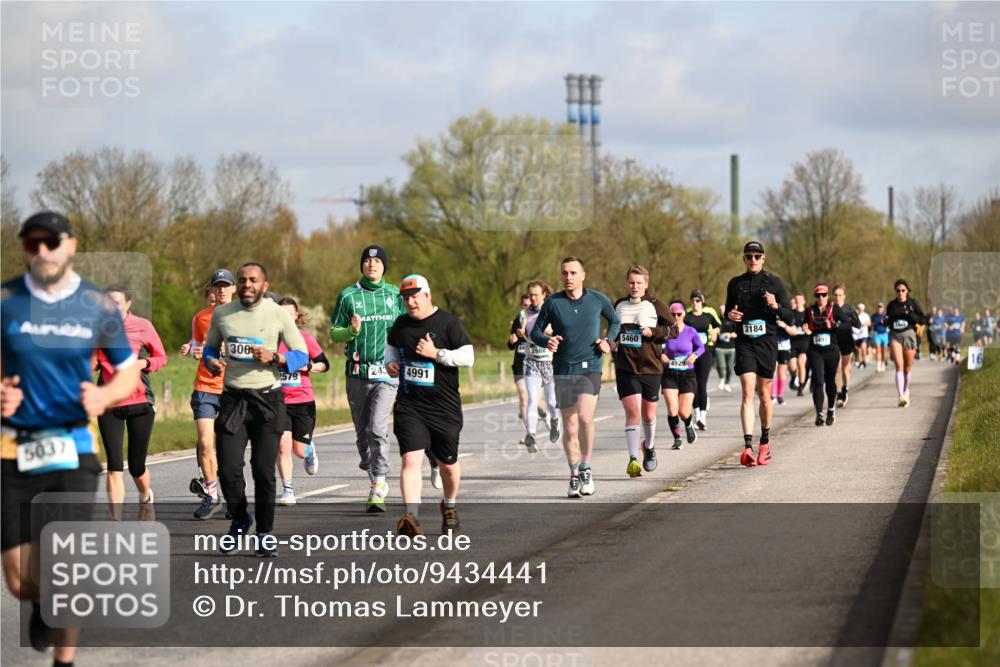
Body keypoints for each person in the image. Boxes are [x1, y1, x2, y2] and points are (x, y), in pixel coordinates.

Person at [2, 211, 141, 662]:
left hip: (73, 448)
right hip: (13, 449)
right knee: (19, 580)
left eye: (51, 242)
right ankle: (40, 602)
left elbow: (126, 371)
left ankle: (66, 660)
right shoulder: (6, 301)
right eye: (32, 244)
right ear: (24, 248)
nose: (42, 251)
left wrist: (103, 397)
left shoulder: (96, 305)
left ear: (71, 245)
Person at [203, 262, 308, 557]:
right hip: (234, 400)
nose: (247, 284)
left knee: (263, 471)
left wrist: (276, 357)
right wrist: (212, 362)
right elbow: (210, 348)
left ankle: (264, 533)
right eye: (242, 280)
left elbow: (302, 355)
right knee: (228, 469)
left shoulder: (277, 314)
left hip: (268, 401)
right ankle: (240, 520)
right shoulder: (223, 314)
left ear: (264, 285)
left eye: (253, 280)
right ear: (237, 285)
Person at [386, 275, 474, 536]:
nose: (410, 303)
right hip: (409, 405)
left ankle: (449, 506)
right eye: (405, 299)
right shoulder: (400, 325)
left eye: (414, 297)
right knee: (410, 459)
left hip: (444, 407)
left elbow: (468, 357)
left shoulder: (449, 323)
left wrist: (436, 354)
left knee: (447, 464)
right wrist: (390, 364)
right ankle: (411, 516)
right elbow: (390, 350)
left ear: (427, 295)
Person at [530, 257, 620, 498]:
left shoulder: (597, 299)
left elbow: (615, 320)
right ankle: (573, 475)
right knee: (569, 427)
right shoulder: (553, 303)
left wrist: (608, 341)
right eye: (564, 273)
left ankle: (586, 468)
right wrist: (546, 340)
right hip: (563, 369)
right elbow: (535, 331)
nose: (568, 277)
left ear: (583, 275)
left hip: (590, 366)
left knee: (585, 418)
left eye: (572, 273)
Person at [330, 245, 409, 512]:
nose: (371, 265)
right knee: (362, 434)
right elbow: (334, 332)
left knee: (377, 428)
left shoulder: (396, 295)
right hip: (357, 373)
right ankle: (370, 464)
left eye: (377, 261)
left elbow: (409, 327)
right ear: (361, 265)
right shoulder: (348, 296)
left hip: (388, 372)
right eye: (367, 261)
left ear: (384, 266)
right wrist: (350, 331)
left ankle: (378, 486)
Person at [96, 285, 167, 521]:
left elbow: (161, 357)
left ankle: (145, 494)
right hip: (109, 403)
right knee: (114, 466)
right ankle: (115, 524)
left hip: (139, 402)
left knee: (136, 466)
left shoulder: (142, 326)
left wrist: (144, 364)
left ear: (128, 304)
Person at [723, 241, 793, 467]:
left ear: (764, 258)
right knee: (747, 391)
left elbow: (790, 316)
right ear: (743, 259)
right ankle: (747, 447)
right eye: (749, 256)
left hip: (767, 343)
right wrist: (730, 317)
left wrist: (775, 306)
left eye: (757, 256)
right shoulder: (735, 284)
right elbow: (728, 312)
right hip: (745, 343)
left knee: (764, 393)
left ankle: (765, 442)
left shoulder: (774, 282)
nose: (753, 260)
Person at [184, 269, 236, 520]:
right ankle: (212, 495)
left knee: (229, 449)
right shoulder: (201, 318)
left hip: (234, 389)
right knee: (206, 443)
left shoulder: (245, 316)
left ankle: (234, 496)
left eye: (227, 286)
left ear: (234, 289)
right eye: (218, 286)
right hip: (205, 387)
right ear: (212, 290)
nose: (222, 290)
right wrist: (196, 352)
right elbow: (197, 345)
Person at [612, 266, 673, 476]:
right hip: (626, 367)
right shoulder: (619, 305)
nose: (635, 286)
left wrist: (653, 332)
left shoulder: (655, 305)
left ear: (646, 284)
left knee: (648, 414)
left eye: (639, 283)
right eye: (631, 282)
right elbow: (613, 330)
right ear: (626, 283)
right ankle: (633, 459)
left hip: (651, 368)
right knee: (632, 412)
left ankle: (650, 447)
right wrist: (612, 341)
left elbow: (673, 330)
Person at [275, 297, 329, 506]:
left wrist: (307, 367)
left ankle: (309, 450)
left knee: (299, 450)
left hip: (303, 401)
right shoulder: (270, 339)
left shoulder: (304, 339)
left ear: (296, 316)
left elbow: (324, 364)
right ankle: (288, 490)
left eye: (289, 313)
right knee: (282, 446)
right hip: (278, 401)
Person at [521, 281, 560, 452]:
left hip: (550, 363)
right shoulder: (524, 314)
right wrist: (519, 333)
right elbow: (520, 329)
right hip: (532, 362)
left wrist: (549, 334)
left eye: (536, 294)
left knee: (551, 401)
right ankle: (531, 434)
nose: (533, 298)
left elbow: (560, 332)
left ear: (544, 294)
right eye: (530, 295)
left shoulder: (552, 311)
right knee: (533, 399)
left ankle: (555, 422)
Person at [661, 302, 704, 449]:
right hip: (669, 373)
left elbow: (701, 347)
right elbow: (654, 346)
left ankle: (688, 423)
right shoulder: (665, 331)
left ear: (684, 314)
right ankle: (677, 438)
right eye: (673, 314)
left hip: (687, 374)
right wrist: (661, 355)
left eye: (679, 314)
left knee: (683, 412)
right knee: (672, 409)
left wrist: (694, 355)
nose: (676, 317)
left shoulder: (690, 331)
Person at [508, 293, 549, 444]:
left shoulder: (540, 319)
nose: (527, 307)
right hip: (520, 364)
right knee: (524, 397)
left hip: (536, 363)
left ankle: (547, 419)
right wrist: (512, 340)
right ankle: (530, 434)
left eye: (529, 304)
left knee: (538, 402)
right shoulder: (518, 320)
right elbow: (511, 344)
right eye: (524, 305)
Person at [804, 285, 842, 426]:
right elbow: (805, 324)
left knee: (830, 381)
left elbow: (847, 324)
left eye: (824, 294)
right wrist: (805, 327)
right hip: (815, 350)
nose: (821, 297)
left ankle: (831, 411)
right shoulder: (810, 310)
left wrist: (833, 325)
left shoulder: (835, 309)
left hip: (831, 350)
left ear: (827, 295)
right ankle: (819, 413)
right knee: (818, 381)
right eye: (818, 295)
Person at [886, 279, 927, 407]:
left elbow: (923, 318)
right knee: (899, 365)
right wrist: (885, 320)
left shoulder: (912, 303)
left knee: (908, 367)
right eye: (898, 290)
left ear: (907, 291)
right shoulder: (892, 305)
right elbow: (887, 319)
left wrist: (913, 319)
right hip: (895, 335)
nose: (900, 293)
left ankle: (906, 390)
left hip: (909, 334)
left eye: (903, 290)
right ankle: (901, 396)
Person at [686, 290, 720, 429]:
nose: (695, 303)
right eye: (693, 300)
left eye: (698, 300)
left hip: (705, 353)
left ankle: (703, 417)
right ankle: (696, 415)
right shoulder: (687, 318)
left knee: (702, 385)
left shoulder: (707, 316)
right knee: (693, 386)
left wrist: (714, 332)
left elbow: (718, 325)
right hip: (691, 354)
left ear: (702, 301)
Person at [832, 283, 861, 407]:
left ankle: (845, 388)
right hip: (834, 341)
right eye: (836, 295)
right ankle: (839, 394)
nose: (838, 297)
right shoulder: (830, 309)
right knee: (836, 369)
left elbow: (858, 325)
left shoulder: (849, 309)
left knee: (845, 369)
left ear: (844, 296)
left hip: (846, 341)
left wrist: (848, 321)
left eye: (840, 295)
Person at [788, 293, 810, 395]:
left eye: (800, 299)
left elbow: (812, 327)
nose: (798, 301)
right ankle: (794, 376)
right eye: (796, 299)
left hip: (804, 341)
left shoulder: (808, 314)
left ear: (804, 301)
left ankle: (801, 387)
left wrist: (808, 330)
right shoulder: (791, 314)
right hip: (793, 341)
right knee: (792, 367)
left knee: (801, 363)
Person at [714, 304, 736, 392]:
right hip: (720, 347)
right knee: (720, 366)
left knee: (730, 368)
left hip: (731, 348)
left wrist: (729, 335)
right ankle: (721, 379)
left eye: (723, 310)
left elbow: (737, 334)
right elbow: (714, 330)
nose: (722, 311)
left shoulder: (732, 320)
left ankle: (727, 383)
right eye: (720, 310)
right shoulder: (717, 320)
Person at [871, 303, 890, 373]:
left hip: (884, 334)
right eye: (878, 307)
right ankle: (878, 366)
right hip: (877, 334)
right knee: (878, 350)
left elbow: (888, 323)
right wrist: (877, 322)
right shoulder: (874, 316)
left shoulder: (885, 315)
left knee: (884, 350)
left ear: (883, 308)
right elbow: (871, 323)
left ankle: (883, 364)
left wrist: (884, 321)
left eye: (881, 307)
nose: (879, 309)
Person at [853, 304, 871, 369]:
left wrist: (862, 324)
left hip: (863, 335)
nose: (860, 309)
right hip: (856, 335)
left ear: (863, 309)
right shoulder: (855, 316)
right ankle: (860, 362)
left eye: (861, 308)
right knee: (859, 350)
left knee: (863, 347)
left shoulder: (865, 315)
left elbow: (869, 323)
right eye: (859, 308)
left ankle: (864, 361)